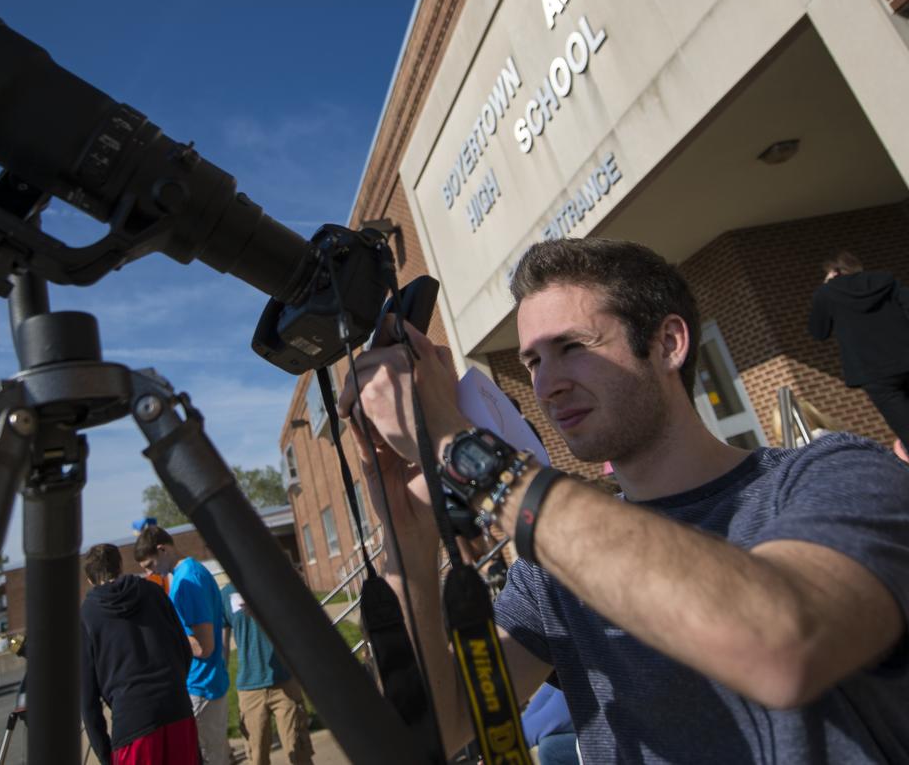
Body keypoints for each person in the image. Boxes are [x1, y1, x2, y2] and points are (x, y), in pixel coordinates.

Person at [338, 237, 909, 763]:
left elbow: (785, 646)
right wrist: (407, 532)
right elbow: (440, 728)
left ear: (668, 343)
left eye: (572, 347)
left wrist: (459, 450)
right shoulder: (553, 569)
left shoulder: (838, 475)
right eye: (534, 360)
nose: (548, 384)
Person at [80, 543, 198, 765]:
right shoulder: (153, 592)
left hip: (133, 722)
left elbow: (88, 700)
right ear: (120, 567)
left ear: (90, 580)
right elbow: (184, 649)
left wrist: (106, 756)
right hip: (176, 708)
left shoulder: (87, 615)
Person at [134, 526, 230, 765]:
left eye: (149, 565)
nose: (149, 573)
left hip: (202, 687)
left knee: (208, 758)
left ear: (162, 549)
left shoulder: (187, 580)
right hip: (204, 685)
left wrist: (163, 631)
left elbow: (203, 647)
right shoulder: (190, 573)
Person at [809, 250, 909, 446]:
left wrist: (826, 288)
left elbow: (818, 332)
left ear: (834, 271)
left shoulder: (827, 293)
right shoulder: (887, 281)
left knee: (905, 426)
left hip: (874, 373)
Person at [220, 581, 313, 765]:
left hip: (284, 681)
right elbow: (223, 642)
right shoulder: (225, 594)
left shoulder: (268, 582)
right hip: (249, 689)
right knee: (257, 758)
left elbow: (294, 625)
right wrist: (220, 678)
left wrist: (261, 614)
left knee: (299, 755)